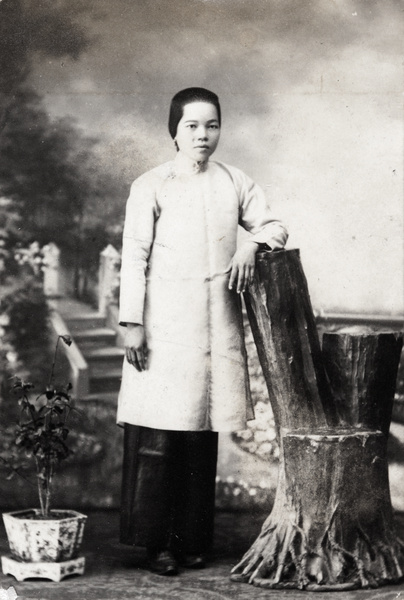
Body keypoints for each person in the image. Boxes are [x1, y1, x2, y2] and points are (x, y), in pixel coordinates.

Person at [117, 87, 288, 576]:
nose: (203, 135)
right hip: (164, 327)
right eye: (192, 126)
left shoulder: (234, 180)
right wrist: (132, 323)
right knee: (161, 434)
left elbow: (274, 225)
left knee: (199, 435)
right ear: (174, 129)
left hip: (215, 327)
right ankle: (156, 544)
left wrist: (252, 245)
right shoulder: (151, 184)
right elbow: (134, 256)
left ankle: (193, 539)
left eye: (211, 125)